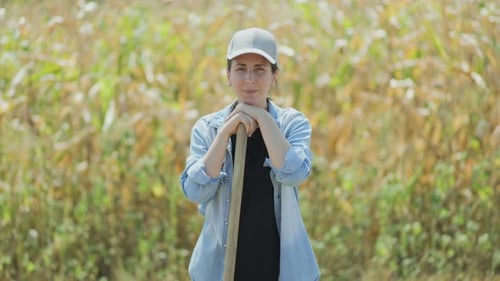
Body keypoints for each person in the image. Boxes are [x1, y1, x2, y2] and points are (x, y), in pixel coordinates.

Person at [180, 27, 320, 281]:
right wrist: (224, 134)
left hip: (280, 266)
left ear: (274, 76)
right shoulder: (208, 127)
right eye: (241, 68)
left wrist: (262, 117)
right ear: (228, 75)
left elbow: (295, 173)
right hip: (221, 268)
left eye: (260, 69)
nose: (249, 79)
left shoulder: (292, 124)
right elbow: (195, 190)